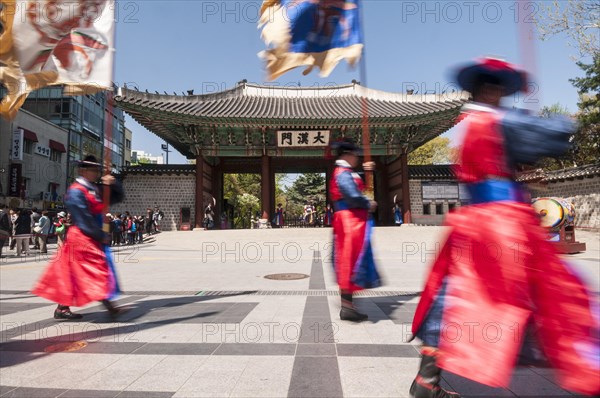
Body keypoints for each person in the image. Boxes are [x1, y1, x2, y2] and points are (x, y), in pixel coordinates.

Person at [409, 58, 599, 397]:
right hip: (503, 225)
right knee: (552, 289)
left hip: (471, 223)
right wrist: (559, 120)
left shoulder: (471, 126)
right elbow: (558, 138)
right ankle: (575, 358)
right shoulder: (502, 123)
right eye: (497, 89)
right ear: (491, 91)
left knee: (452, 295)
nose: (500, 95)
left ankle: (428, 379)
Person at [32, 156, 128, 320]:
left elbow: (117, 198)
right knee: (96, 271)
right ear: (83, 171)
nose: (96, 173)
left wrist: (113, 183)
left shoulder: (95, 189)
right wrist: (99, 235)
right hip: (83, 236)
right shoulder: (76, 191)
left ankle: (62, 308)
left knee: (74, 274)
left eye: (98, 170)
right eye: (93, 170)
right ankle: (110, 307)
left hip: (90, 235)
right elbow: (83, 218)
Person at [329, 138, 381, 322]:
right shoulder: (342, 173)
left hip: (351, 222)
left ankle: (348, 306)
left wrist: (368, 172)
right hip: (349, 223)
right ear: (347, 155)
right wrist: (368, 202)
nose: (357, 158)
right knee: (349, 262)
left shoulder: (346, 172)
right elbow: (351, 196)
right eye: (355, 155)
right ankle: (347, 307)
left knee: (350, 262)